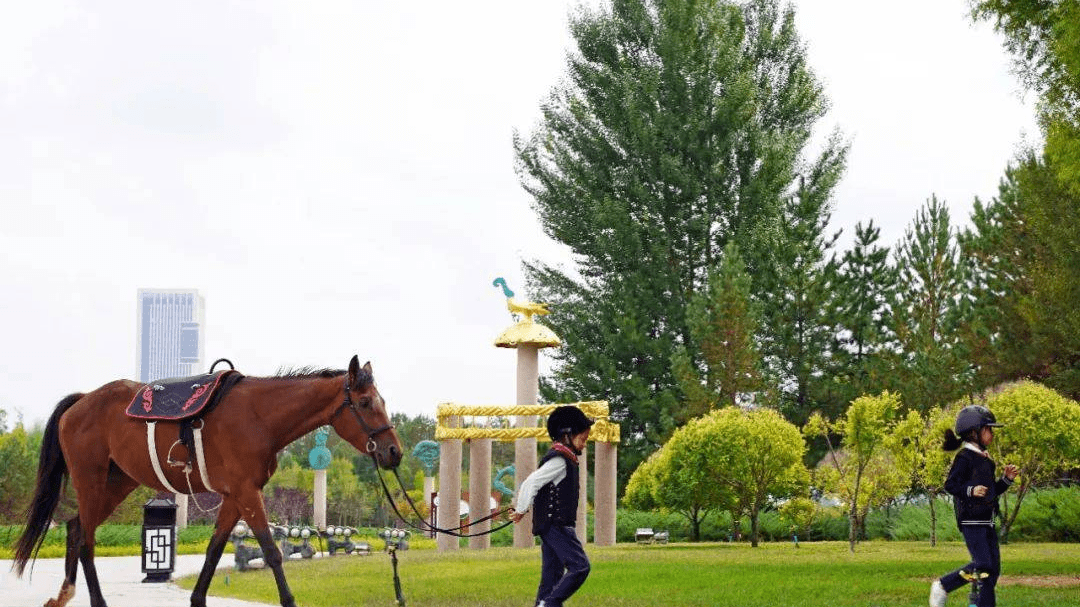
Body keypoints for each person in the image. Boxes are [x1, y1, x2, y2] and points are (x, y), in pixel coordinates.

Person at [930, 404, 1019, 607]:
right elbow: (951, 484)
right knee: (983, 566)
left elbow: (991, 492)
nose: (992, 434)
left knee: (992, 569)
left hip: (987, 521)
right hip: (971, 520)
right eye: (989, 429)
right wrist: (970, 490)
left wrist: (1006, 480)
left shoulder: (986, 461)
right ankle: (943, 585)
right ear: (974, 432)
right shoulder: (964, 457)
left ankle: (981, 604)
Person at [511, 405, 594, 607]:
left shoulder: (567, 460)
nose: (584, 445)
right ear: (566, 435)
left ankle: (544, 602)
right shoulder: (559, 460)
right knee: (580, 566)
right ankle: (549, 605)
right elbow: (532, 482)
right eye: (582, 439)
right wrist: (521, 509)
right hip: (556, 526)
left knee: (551, 576)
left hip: (553, 526)